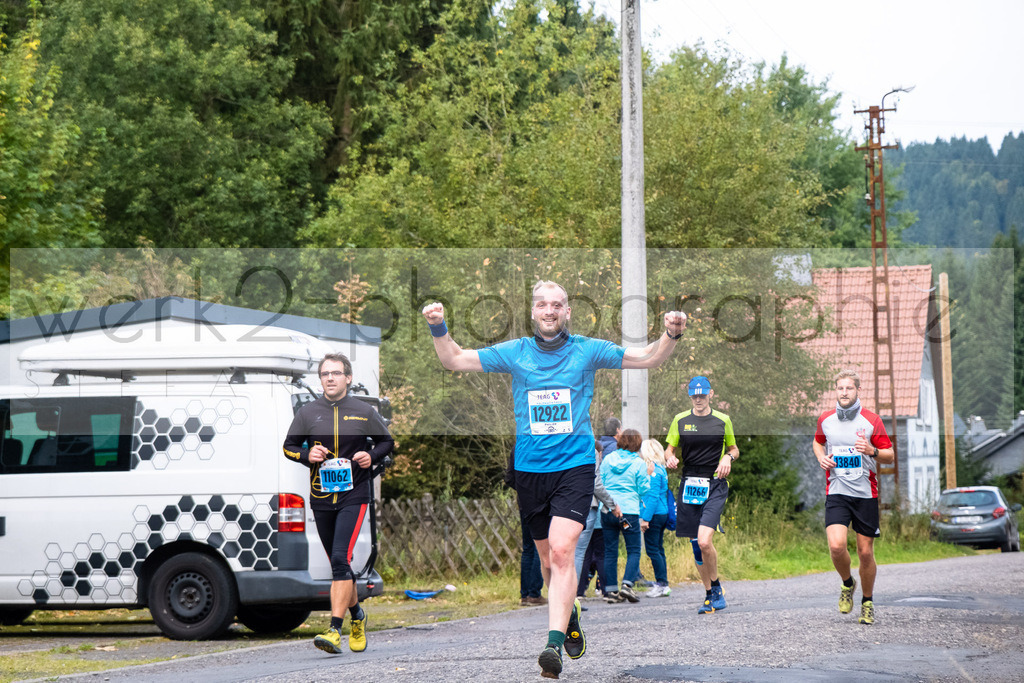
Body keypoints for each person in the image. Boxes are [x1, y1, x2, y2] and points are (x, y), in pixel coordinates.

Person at [422, 281, 685, 679]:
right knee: (547, 561)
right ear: (533, 312)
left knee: (563, 552)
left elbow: (648, 358)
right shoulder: (515, 353)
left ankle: (553, 646)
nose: (549, 310)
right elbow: (455, 361)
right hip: (530, 471)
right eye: (542, 304)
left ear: (567, 312)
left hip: (575, 467)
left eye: (557, 304)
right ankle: (570, 612)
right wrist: (438, 326)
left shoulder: (587, 349)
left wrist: (671, 334)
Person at [282, 353, 394, 654]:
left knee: (341, 558)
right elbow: (288, 447)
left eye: (336, 373)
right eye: (324, 374)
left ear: (348, 377)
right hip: (320, 497)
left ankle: (334, 629)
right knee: (337, 563)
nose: (330, 378)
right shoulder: (308, 413)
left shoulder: (363, 411)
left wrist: (371, 456)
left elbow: (387, 443)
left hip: (354, 494)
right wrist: (307, 456)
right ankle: (357, 615)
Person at [812, 369, 894, 626]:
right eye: (840, 388)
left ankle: (867, 602)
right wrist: (821, 457)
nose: (844, 393)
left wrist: (872, 450)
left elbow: (889, 455)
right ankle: (848, 583)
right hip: (837, 491)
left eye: (849, 388)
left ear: (858, 390)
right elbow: (818, 442)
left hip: (865, 494)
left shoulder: (872, 420)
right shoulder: (826, 419)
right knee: (836, 546)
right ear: (835, 391)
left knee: (865, 552)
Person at [665, 375, 738, 615]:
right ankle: (710, 595)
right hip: (690, 483)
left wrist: (728, 457)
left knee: (705, 540)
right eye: (694, 395)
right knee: (697, 546)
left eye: (702, 395)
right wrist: (670, 458)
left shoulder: (722, 420)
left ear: (711, 394)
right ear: (690, 396)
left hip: (715, 482)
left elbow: (734, 448)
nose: (698, 399)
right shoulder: (680, 420)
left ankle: (715, 589)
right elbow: (669, 450)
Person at [599, 428, 649, 603]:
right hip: (629, 511)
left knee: (610, 551)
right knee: (634, 549)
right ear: (637, 444)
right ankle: (627, 585)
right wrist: (648, 477)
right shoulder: (639, 463)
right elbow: (644, 489)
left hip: (608, 509)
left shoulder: (607, 459)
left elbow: (601, 482)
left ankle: (611, 591)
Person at [573, 435, 618, 598]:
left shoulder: (567, 450)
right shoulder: (591, 453)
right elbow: (596, 484)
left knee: (576, 553)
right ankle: (574, 598)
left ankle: (575, 593)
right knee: (587, 553)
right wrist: (612, 504)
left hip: (564, 508)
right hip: (589, 507)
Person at [639, 439, 671, 597]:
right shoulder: (661, 470)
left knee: (653, 550)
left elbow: (651, 497)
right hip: (662, 513)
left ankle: (661, 584)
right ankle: (664, 583)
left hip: (654, 514)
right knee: (659, 549)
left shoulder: (653, 472)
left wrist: (645, 519)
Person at [520, 508, 547, 606]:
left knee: (527, 549)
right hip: (538, 506)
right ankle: (534, 594)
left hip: (524, 504)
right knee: (538, 548)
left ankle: (525, 595)